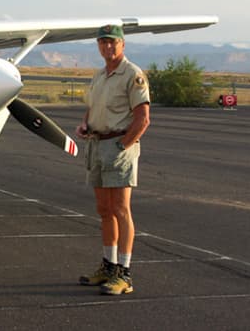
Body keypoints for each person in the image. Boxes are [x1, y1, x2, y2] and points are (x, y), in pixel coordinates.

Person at [75, 24, 151, 295]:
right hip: (96, 145)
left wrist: (123, 144)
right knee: (104, 209)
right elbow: (91, 108)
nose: (107, 47)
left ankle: (125, 274)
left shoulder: (132, 75)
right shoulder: (99, 75)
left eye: (112, 42)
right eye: (103, 42)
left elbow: (142, 118)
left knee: (121, 209)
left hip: (118, 146)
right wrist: (84, 125)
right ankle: (109, 266)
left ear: (122, 45)